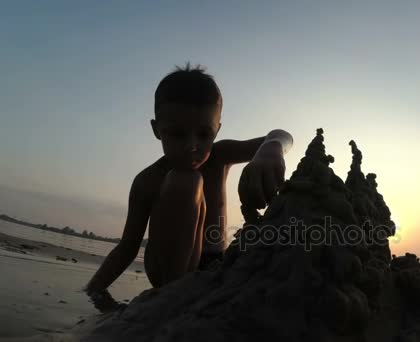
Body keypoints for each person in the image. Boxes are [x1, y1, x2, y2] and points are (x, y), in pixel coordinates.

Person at [85, 64, 293, 297]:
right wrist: (92, 290)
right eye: (177, 134)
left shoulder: (220, 156)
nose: (191, 145)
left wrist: (271, 149)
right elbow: (127, 247)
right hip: (163, 270)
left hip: (215, 266)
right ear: (157, 129)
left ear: (217, 131)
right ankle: (171, 297)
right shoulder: (147, 180)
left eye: (204, 134)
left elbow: (282, 136)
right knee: (184, 182)